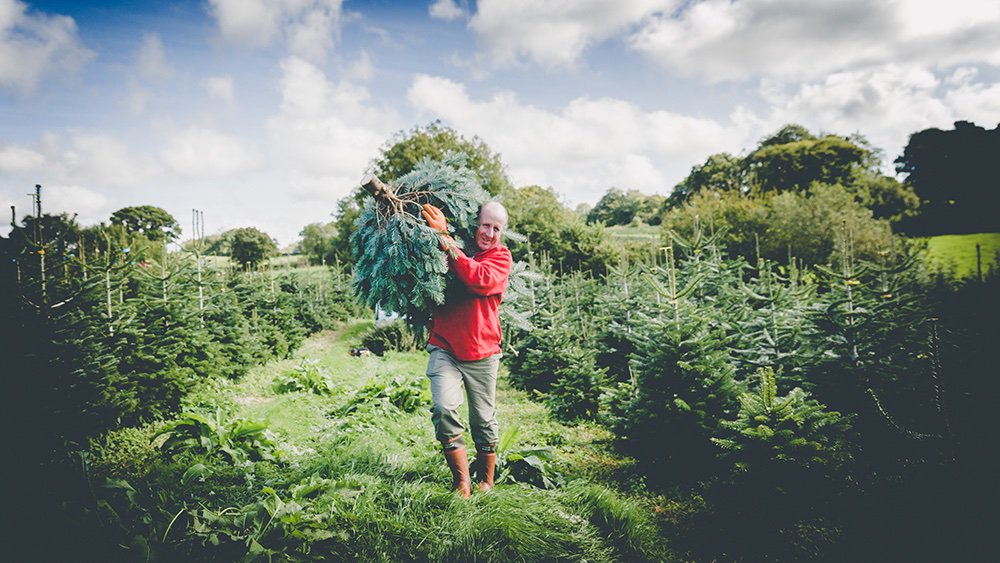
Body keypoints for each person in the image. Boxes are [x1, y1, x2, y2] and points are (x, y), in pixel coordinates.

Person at [420, 200, 512, 498]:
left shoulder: (500, 257)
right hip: (445, 345)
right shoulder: (456, 246)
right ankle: (462, 481)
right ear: (475, 224)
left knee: (483, 419)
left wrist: (445, 240)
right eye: (486, 225)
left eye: (497, 228)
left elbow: (478, 280)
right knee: (444, 408)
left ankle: (486, 479)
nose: (490, 233)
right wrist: (442, 240)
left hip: (483, 351)